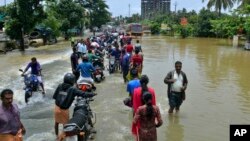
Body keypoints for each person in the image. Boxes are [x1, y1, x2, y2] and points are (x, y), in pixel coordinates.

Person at [53, 73, 96, 137]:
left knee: (56, 123)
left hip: (56, 108)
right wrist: (92, 94)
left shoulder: (60, 86)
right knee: (67, 127)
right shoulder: (72, 89)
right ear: (72, 81)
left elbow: (55, 96)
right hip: (64, 110)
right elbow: (83, 93)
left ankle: (57, 136)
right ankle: (64, 138)